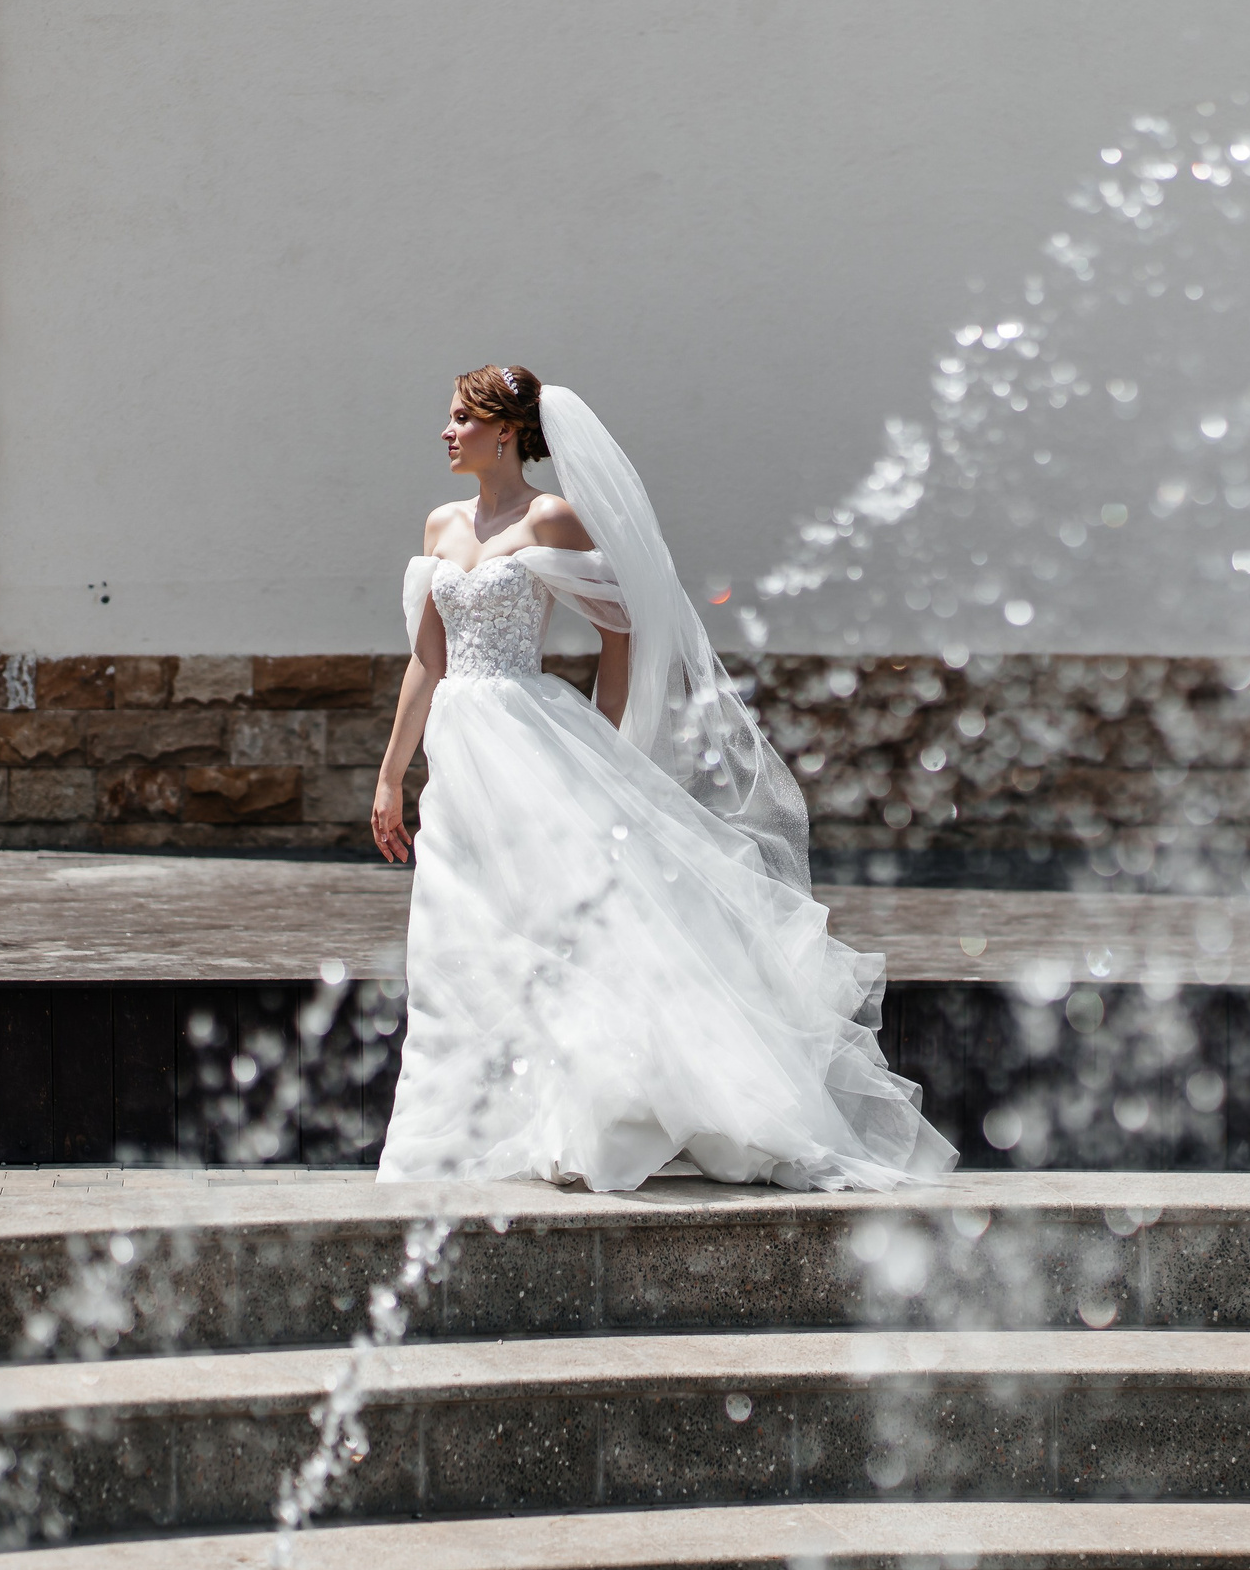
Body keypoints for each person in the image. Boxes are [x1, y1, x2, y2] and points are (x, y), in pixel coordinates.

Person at [368, 366, 956, 1192]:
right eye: (451, 418)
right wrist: (392, 775)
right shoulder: (439, 526)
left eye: (462, 418)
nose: (447, 431)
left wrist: (610, 744)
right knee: (458, 930)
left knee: (558, 923)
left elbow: (624, 625)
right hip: (461, 754)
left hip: (531, 740)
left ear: (505, 431)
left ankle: (589, 1119)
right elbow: (427, 661)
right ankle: (447, 1137)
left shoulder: (549, 517)